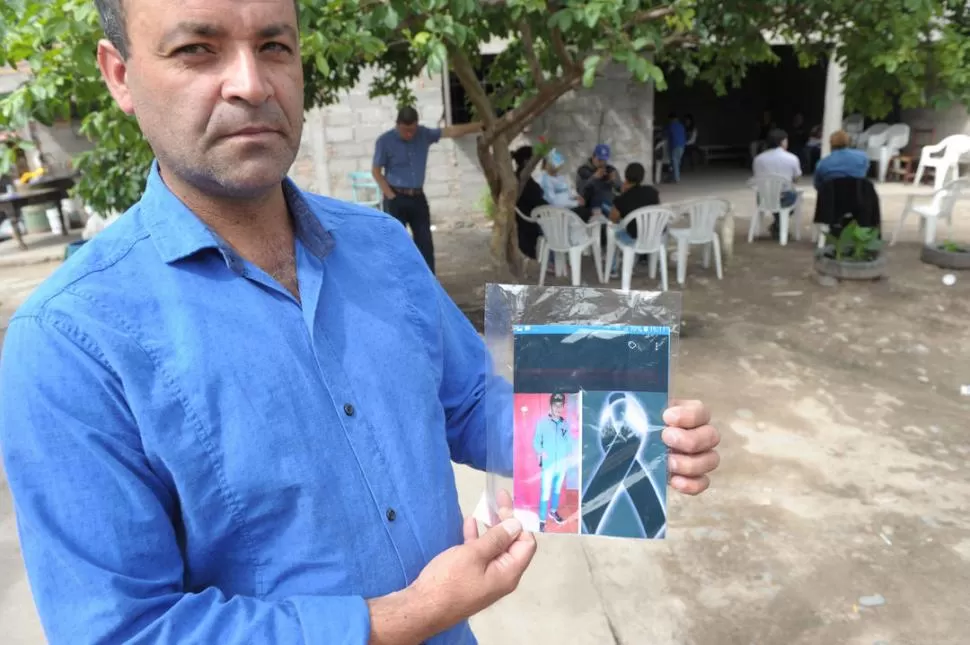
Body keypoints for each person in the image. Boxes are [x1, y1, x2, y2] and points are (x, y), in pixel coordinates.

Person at [0, 1, 723, 644]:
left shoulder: (380, 246)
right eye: (198, 49)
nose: (251, 82)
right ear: (120, 75)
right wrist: (404, 617)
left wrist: (614, 442)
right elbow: (125, 628)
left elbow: (468, 401)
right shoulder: (69, 344)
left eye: (276, 46)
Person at [372, 106, 482, 274]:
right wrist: (390, 195)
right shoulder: (384, 141)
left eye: (412, 130)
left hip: (417, 197)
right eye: (405, 130)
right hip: (395, 198)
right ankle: (399, 283)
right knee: (395, 243)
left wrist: (479, 126)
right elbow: (376, 171)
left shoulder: (423, 135)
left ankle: (430, 282)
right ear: (398, 125)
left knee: (425, 244)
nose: (409, 134)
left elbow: (450, 131)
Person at [532, 394, 572, 532]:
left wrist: (568, 453)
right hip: (548, 465)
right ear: (551, 406)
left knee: (556, 490)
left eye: (560, 405)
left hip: (561, 465)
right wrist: (541, 450)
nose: (558, 408)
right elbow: (536, 441)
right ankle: (542, 520)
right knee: (545, 493)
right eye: (556, 405)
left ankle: (553, 511)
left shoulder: (565, 424)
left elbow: (569, 442)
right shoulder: (542, 423)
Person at [753, 128, 802, 239]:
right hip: (784, 198)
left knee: (775, 197)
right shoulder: (792, 158)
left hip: (763, 197)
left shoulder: (758, 159)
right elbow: (797, 178)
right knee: (794, 196)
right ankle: (779, 225)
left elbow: (757, 176)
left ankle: (777, 225)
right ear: (783, 141)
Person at [610, 162, 660, 240]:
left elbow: (613, 219)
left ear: (626, 177)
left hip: (634, 237)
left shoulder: (622, 199)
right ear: (642, 177)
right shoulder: (652, 191)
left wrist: (623, 194)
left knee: (613, 229)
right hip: (654, 234)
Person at [512, 145, 546, 260]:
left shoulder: (520, 177)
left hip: (527, 216)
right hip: (528, 219)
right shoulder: (524, 180)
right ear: (527, 161)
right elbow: (537, 200)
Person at [576, 144, 622, 211]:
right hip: (591, 207)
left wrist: (614, 181)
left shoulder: (610, 169)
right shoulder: (583, 170)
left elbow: (620, 189)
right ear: (593, 157)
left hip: (609, 203)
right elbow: (581, 192)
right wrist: (594, 178)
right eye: (600, 160)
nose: (602, 163)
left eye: (604, 160)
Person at [665, 113, 687, 183]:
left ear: (671, 119)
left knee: (674, 163)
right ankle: (672, 177)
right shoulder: (681, 126)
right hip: (682, 146)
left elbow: (666, 135)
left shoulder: (671, 125)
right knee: (677, 162)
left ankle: (676, 178)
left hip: (675, 146)